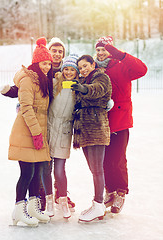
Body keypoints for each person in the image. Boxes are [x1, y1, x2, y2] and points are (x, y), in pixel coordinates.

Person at [0, 37, 75, 211]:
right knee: (40, 167)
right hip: (38, 123)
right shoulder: (36, 70)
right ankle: (40, 197)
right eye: (53, 51)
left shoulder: (67, 71)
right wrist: (12, 92)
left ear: (63, 54)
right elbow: (26, 89)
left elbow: (74, 87)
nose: (56, 55)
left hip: (56, 124)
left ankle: (59, 193)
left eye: (60, 51)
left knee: (54, 165)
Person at [94, 36, 148, 213]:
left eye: (105, 50)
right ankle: (109, 190)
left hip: (120, 120)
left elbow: (142, 69)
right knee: (104, 160)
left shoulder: (122, 65)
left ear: (111, 50)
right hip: (101, 121)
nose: (101, 53)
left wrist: (119, 54)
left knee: (117, 159)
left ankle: (120, 192)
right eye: (99, 50)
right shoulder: (94, 68)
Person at [9, 37, 53, 226]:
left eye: (49, 64)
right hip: (27, 132)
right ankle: (19, 209)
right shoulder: (28, 80)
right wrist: (36, 134)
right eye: (44, 63)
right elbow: (26, 108)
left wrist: (39, 134)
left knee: (37, 173)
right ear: (36, 63)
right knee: (26, 173)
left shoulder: (42, 80)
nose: (47, 67)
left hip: (37, 132)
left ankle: (34, 208)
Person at [71, 55, 112, 222]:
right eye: (80, 67)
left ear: (93, 64)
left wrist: (83, 89)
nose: (83, 69)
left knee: (97, 170)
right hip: (85, 131)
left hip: (96, 128)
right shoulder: (84, 79)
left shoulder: (101, 76)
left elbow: (98, 89)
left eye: (85, 66)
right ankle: (98, 204)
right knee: (93, 169)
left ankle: (98, 203)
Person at [47, 54, 79, 218]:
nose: (68, 72)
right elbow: (40, 95)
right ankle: (49, 202)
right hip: (50, 128)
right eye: (65, 69)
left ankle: (63, 201)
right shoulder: (54, 83)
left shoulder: (78, 88)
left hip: (65, 131)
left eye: (72, 69)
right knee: (46, 169)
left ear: (76, 71)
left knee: (59, 170)